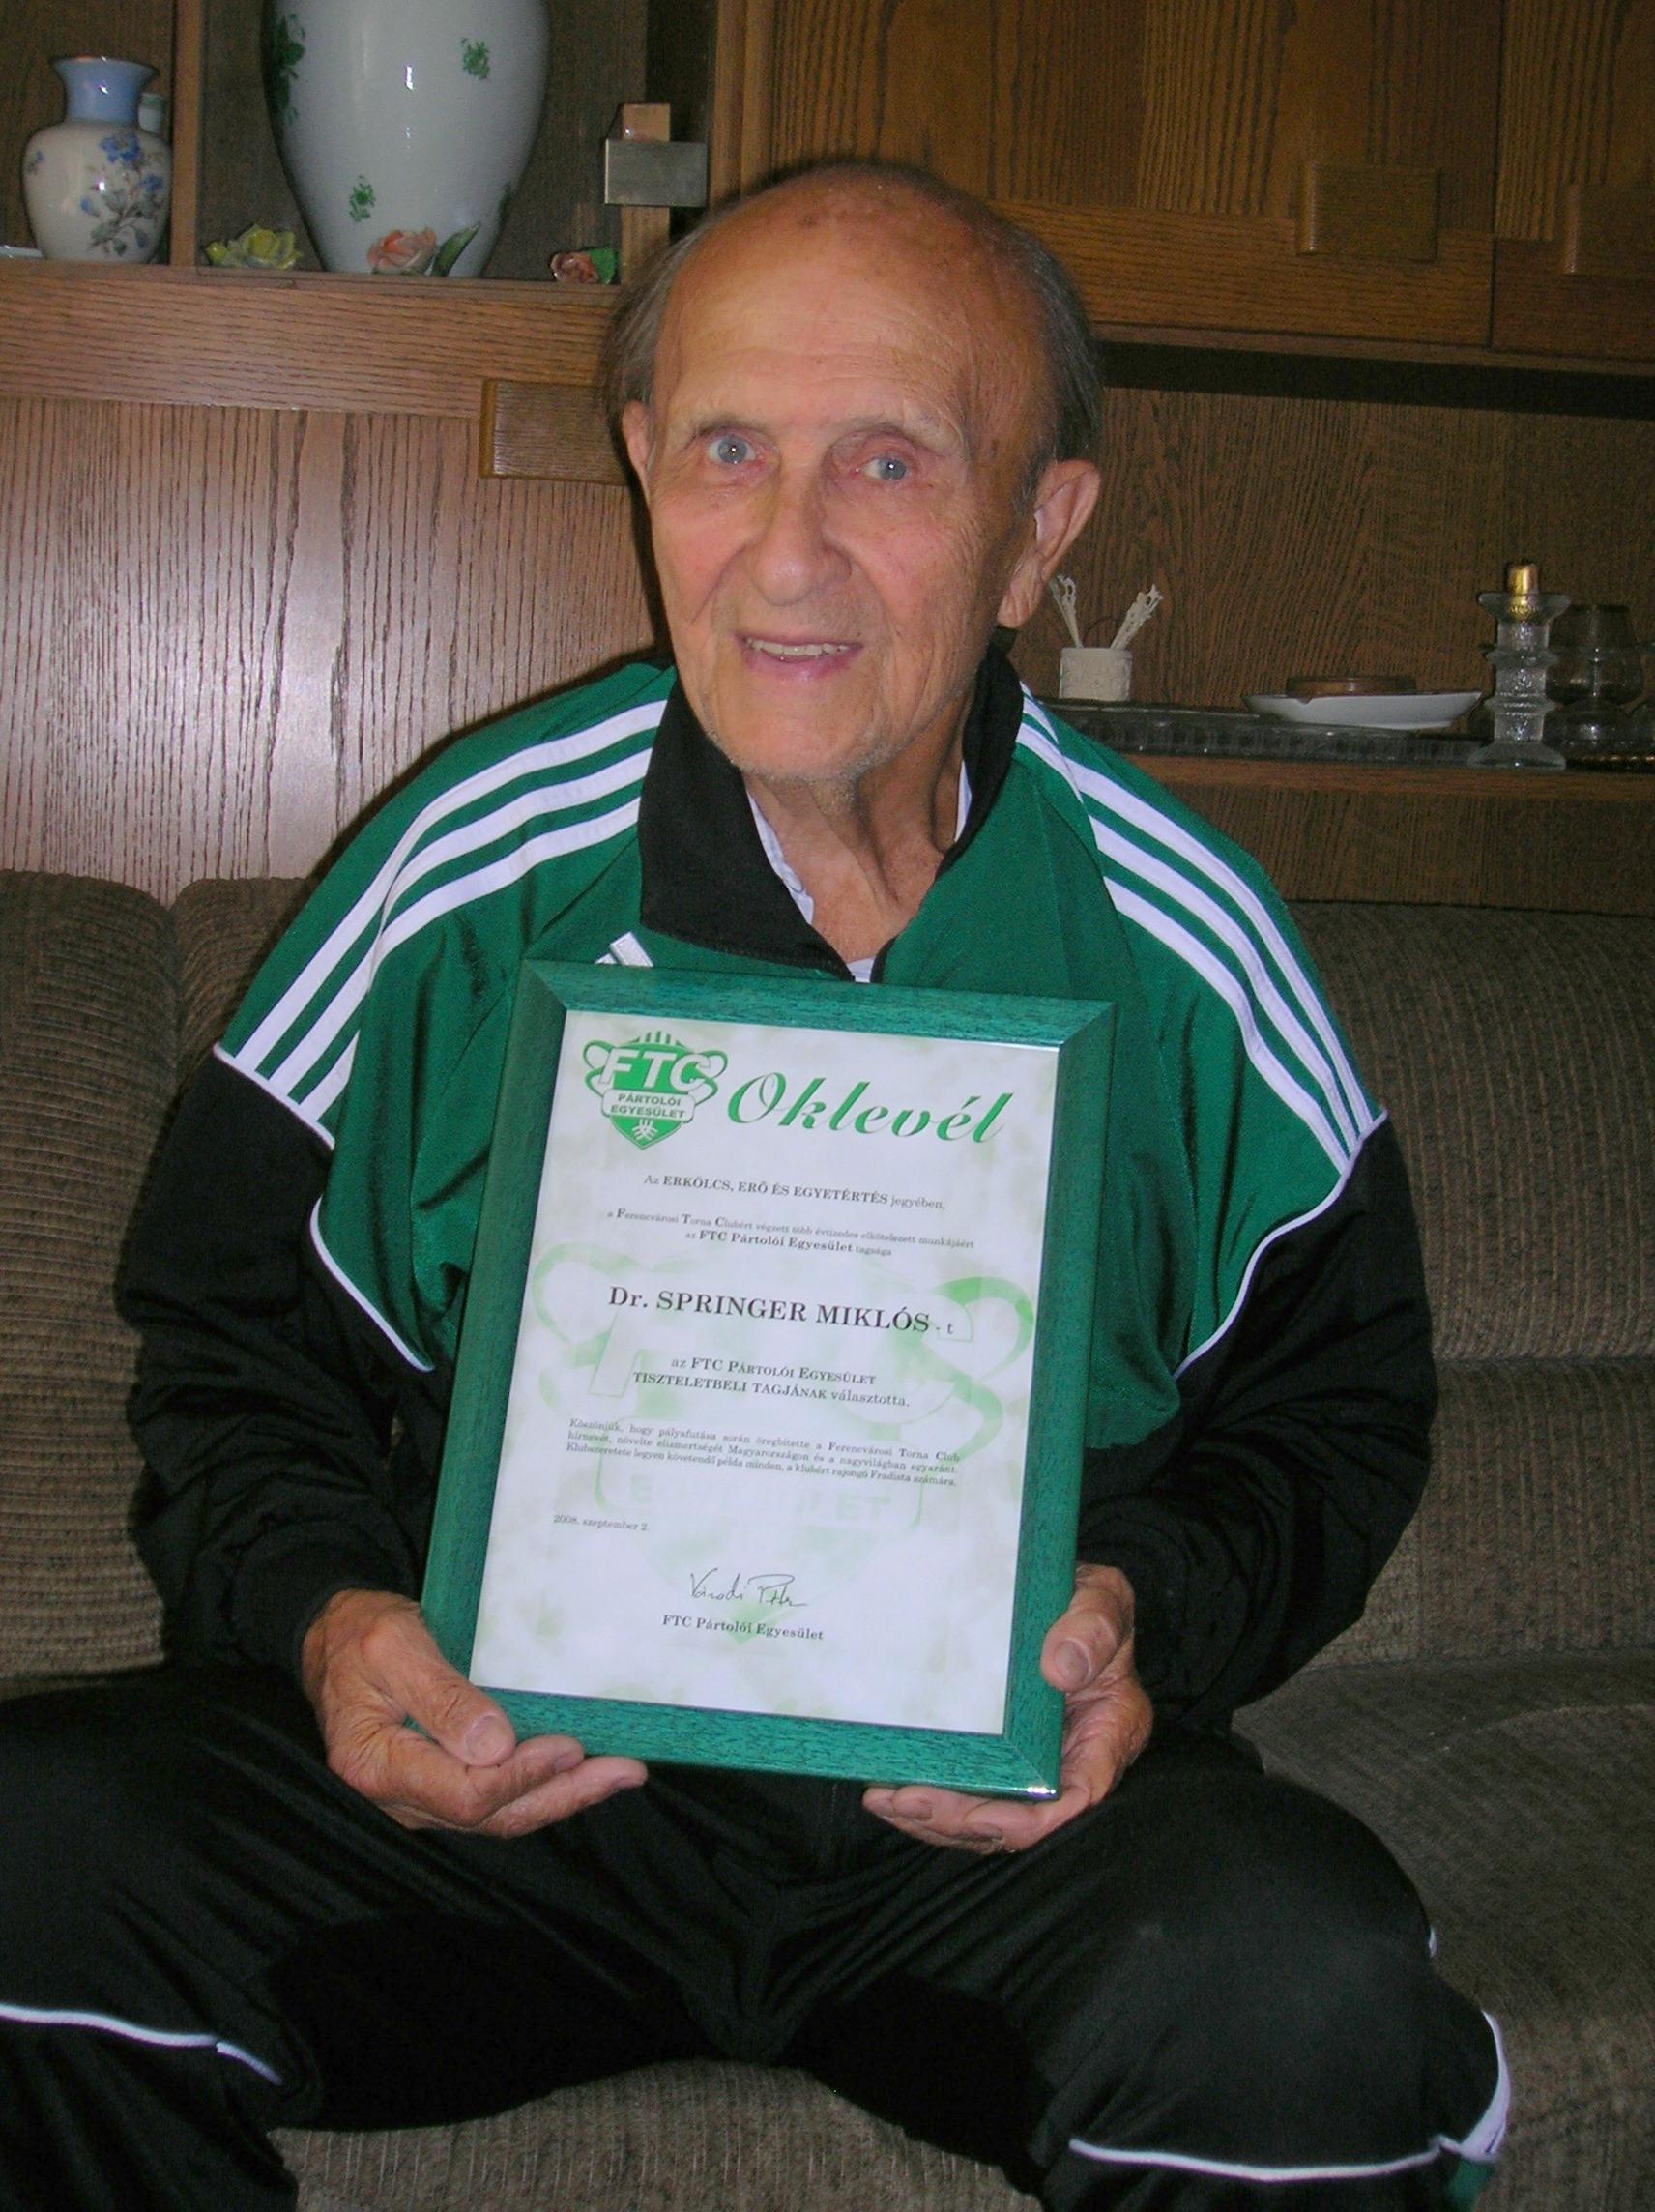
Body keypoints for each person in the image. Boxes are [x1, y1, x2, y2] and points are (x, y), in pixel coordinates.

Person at [0, 164, 1507, 2211]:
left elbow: (1336, 1414)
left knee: (1307, 1996)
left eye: (888, 462)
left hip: (975, 1838)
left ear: (1038, 530)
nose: (787, 553)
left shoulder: (1186, 944)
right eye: (727, 449)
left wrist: (1139, 1616)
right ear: (643, 465)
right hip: (512, 1811)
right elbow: (229, 1346)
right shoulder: (467, 869)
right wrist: (334, 1624)